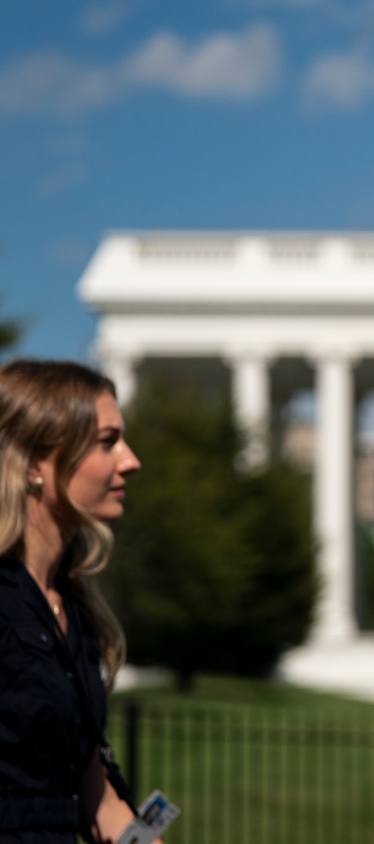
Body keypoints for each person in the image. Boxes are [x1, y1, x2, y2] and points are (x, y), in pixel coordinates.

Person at [0, 359, 150, 844]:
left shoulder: (72, 610)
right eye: (107, 442)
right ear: (35, 464)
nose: (130, 460)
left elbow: (100, 804)